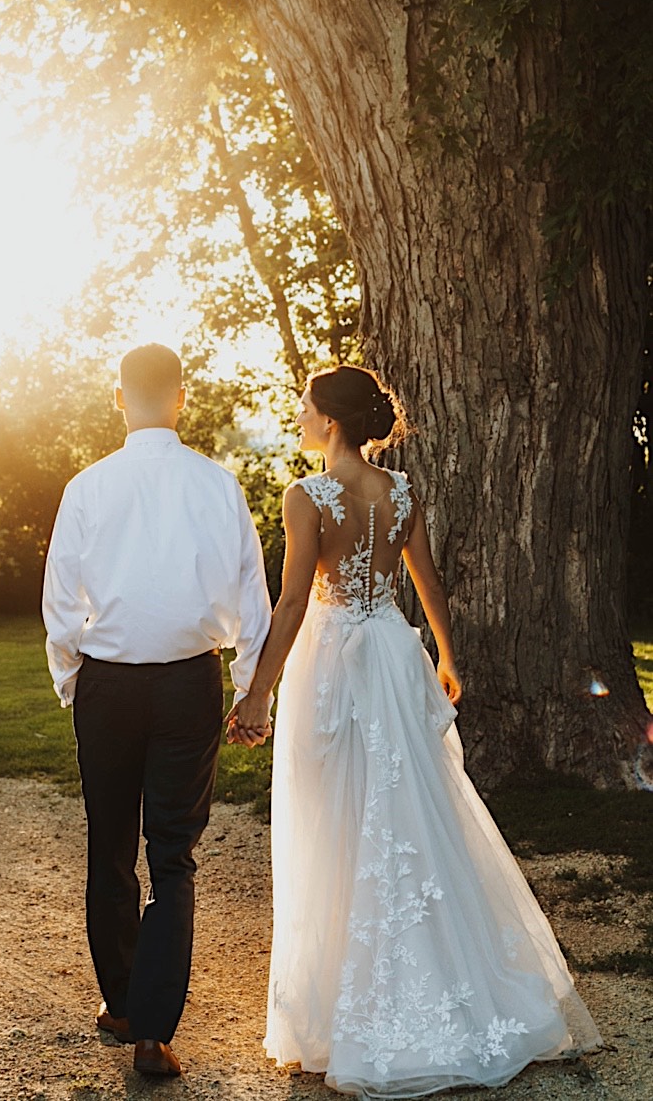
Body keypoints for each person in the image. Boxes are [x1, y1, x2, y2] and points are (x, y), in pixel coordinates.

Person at [228, 364, 600, 1096]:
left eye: (304, 407)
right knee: (407, 809)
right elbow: (427, 582)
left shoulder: (305, 496)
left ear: (330, 421)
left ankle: (339, 1009)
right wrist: (448, 656)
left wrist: (256, 693)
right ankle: (446, 984)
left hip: (333, 664)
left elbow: (296, 600)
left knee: (330, 817)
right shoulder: (399, 491)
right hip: (396, 653)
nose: (299, 416)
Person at [42, 342, 272, 1077]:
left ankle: (124, 1003)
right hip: (188, 686)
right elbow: (251, 594)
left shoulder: (87, 487)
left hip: (108, 683)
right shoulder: (217, 484)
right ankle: (151, 1031)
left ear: (119, 398)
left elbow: (58, 601)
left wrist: (73, 681)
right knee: (174, 857)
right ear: (180, 396)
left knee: (109, 847)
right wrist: (248, 690)